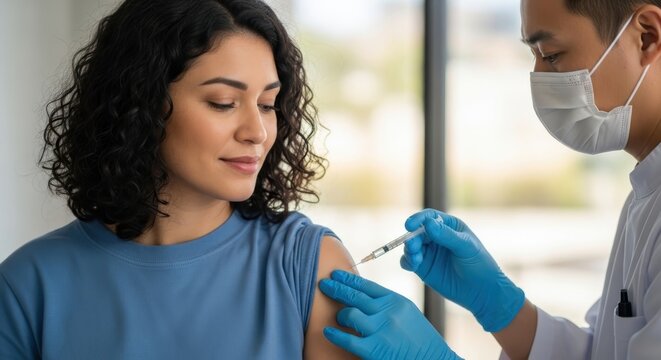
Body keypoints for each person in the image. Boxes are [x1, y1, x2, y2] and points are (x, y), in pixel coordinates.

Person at [0, 0, 359, 358]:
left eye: (267, 104)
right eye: (223, 102)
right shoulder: (28, 286)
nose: (257, 132)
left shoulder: (311, 266)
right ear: (140, 103)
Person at [319, 0, 661, 359]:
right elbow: (603, 352)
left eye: (552, 54)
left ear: (647, 36)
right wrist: (502, 306)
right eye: (535, 55)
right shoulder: (646, 193)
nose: (539, 77)